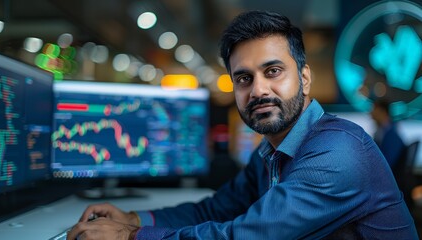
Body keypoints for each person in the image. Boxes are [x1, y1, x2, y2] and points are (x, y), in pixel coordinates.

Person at [67, 10, 418, 240]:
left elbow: (245, 236)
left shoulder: (338, 151)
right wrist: (135, 217)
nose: (258, 90)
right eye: (243, 78)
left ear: (305, 78)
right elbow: (214, 210)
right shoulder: (270, 151)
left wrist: (129, 235)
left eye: (273, 71)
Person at [370, 99, 406, 168]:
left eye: (374, 110)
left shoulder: (392, 136)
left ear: (382, 112)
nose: (371, 114)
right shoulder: (383, 132)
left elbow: (386, 164)